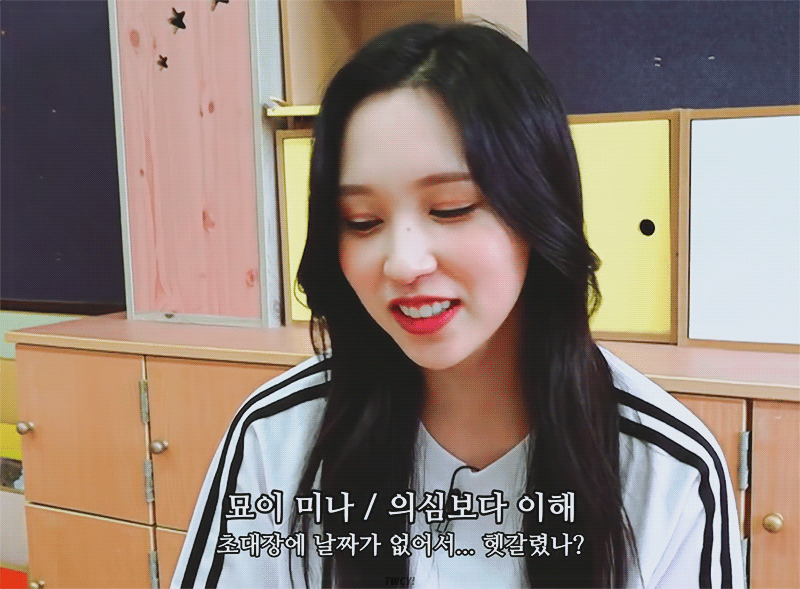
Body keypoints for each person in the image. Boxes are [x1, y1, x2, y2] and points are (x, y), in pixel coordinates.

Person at [171, 21, 745, 589]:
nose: (403, 263)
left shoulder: (668, 471)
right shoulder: (277, 438)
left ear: (539, 212)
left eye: (451, 208)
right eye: (362, 221)